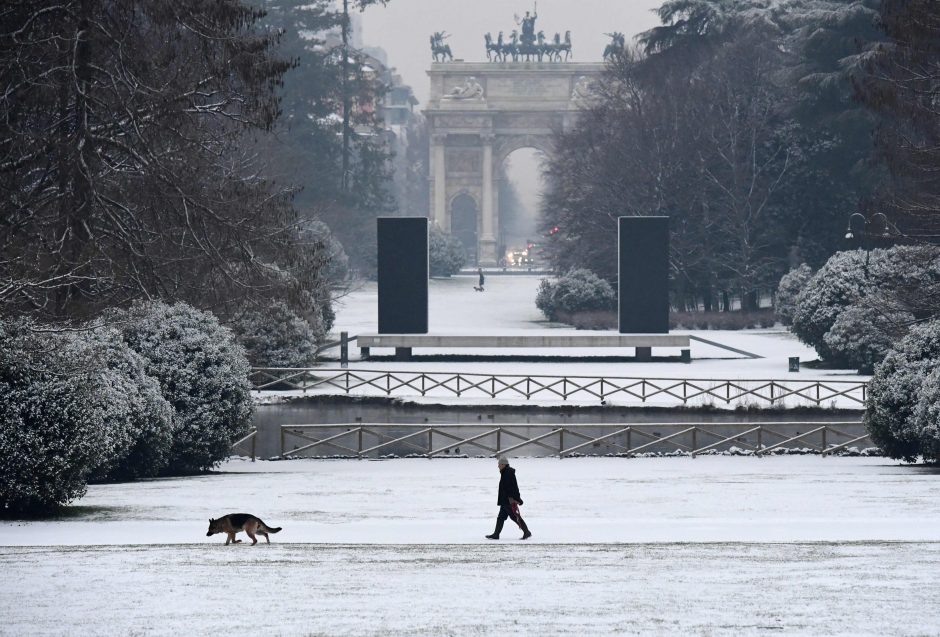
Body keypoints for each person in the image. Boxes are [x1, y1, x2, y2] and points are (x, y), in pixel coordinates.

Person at [485, 456, 532, 540]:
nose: (498, 466)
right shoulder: (505, 472)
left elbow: (513, 488)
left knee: (514, 517)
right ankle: (496, 534)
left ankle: (526, 532)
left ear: (503, 464)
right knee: (501, 517)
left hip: (508, 501)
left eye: (499, 464)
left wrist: (517, 499)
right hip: (505, 500)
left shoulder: (507, 473)